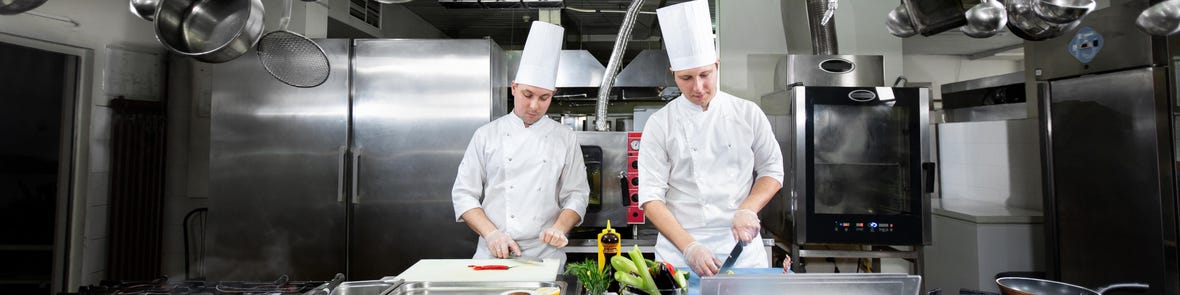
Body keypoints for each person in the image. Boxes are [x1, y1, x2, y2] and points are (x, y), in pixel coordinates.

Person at [638, 0, 785, 277]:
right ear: (673, 74)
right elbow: (651, 198)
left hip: (741, 251)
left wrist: (748, 209)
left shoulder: (747, 113)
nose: (698, 87)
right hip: (679, 252)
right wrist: (689, 247)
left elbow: (772, 170)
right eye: (686, 78)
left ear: (717, 64)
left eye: (705, 74)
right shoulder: (660, 124)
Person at [451, 21, 589, 263]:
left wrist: (560, 227)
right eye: (528, 95)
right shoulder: (486, 135)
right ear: (514, 88)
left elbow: (577, 194)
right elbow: (464, 195)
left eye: (544, 97)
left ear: (552, 94)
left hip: (546, 256)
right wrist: (491, 233)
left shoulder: (565, 137)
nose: (535, 105)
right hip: (493, 254)